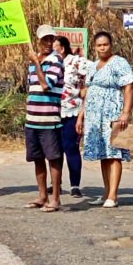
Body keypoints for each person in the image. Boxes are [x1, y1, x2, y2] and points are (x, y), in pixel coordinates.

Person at [77, 31, 133, 208]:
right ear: (94, 47)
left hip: (112, 112)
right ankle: (106, 191)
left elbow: (129, 87)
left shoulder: (119, 63)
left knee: (114, 153)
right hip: (95, 116)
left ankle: (113, 194)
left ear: (111, 45)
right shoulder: (93, 66)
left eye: (105, 44)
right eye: (99, 45)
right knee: (103, 154)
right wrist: (81, 115)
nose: (102, 48)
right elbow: (88, 92)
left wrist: (125, 113)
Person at [25, 24, 65, 212]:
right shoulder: (35, 62)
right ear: (38, 40)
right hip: (32, 118)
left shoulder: (55, 60)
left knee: (54, 158)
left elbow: (46, 85)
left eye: (51, 39)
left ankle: (55, 198)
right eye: (45, 39)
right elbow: (31, 88)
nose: (49, 43)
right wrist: (35, 62)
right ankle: (42, 195)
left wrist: (36, 63)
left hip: (49, 119)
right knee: (37, 158)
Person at [54, 35, 89, 197]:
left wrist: (84, 89)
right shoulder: (50, 62)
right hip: (53, 112)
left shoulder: (75, 61)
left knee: (71, 148)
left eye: (56, 46)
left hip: (73, 111)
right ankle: (56, 184)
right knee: (55, 150)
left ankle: (75, 184)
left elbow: (91, 75)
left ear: (62, 47)